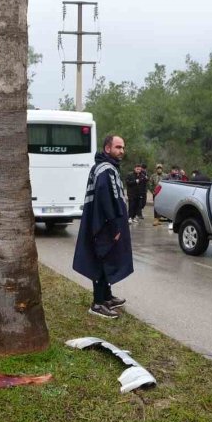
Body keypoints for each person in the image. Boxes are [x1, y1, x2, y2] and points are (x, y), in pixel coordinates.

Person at [73, 135, 134, 319]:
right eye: (118, 147)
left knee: (108, 258)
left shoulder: (106, 168)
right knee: (101, 260)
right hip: (105, 226)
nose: (121, 151)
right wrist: (114, 227)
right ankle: (98, 303)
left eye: (123, 147)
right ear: (107, 149)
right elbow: (106, 200)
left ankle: (106, 297)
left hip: (107, 224)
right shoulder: (105, 170)